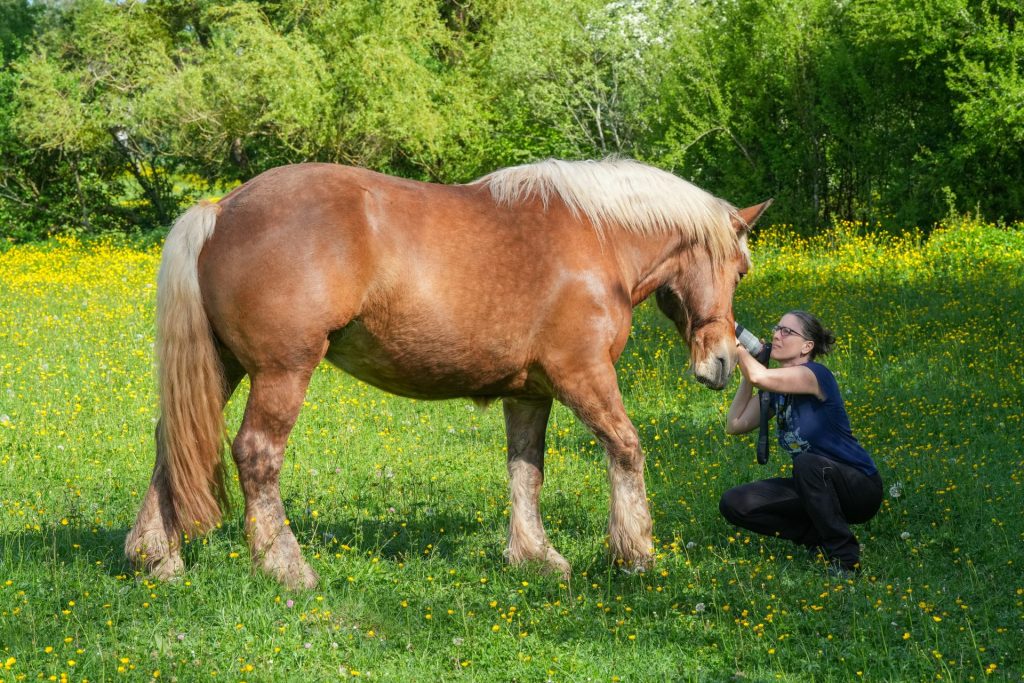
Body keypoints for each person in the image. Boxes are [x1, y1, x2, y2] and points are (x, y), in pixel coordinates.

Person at [721, 310, 882, 576]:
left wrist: (738, 349)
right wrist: (745, 373)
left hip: (859, 488)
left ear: (807, 346)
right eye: (776, 328)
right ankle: (816, 537)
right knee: (735, 502)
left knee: (808, 464)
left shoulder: (815, 375)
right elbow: (735, 424)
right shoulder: (777, 392)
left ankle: (845, 559)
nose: (776, 335)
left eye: (787, 331)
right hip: (815, 486)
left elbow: (760, 376)